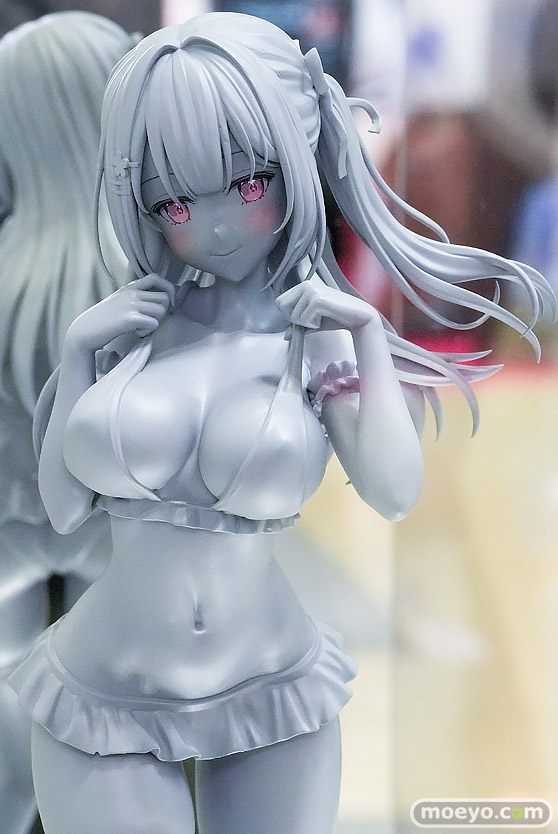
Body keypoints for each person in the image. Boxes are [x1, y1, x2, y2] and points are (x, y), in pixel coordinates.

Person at [9, 13, 552, 834]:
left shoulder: (316, 338)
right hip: (102, 696)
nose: (217, 224)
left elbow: (394, 491)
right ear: (142, 203)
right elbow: (63, 509)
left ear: (294, 163)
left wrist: (365, 338)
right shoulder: (127, 326)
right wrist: (82, 352)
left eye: (249, 185)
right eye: (176, 201)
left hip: (272, 690)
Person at [0, 12, 133, 834]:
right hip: (121, 538)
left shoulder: (8, 270)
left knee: (12, 700)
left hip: (8, 532)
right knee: (109, 724)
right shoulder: (146, 276)